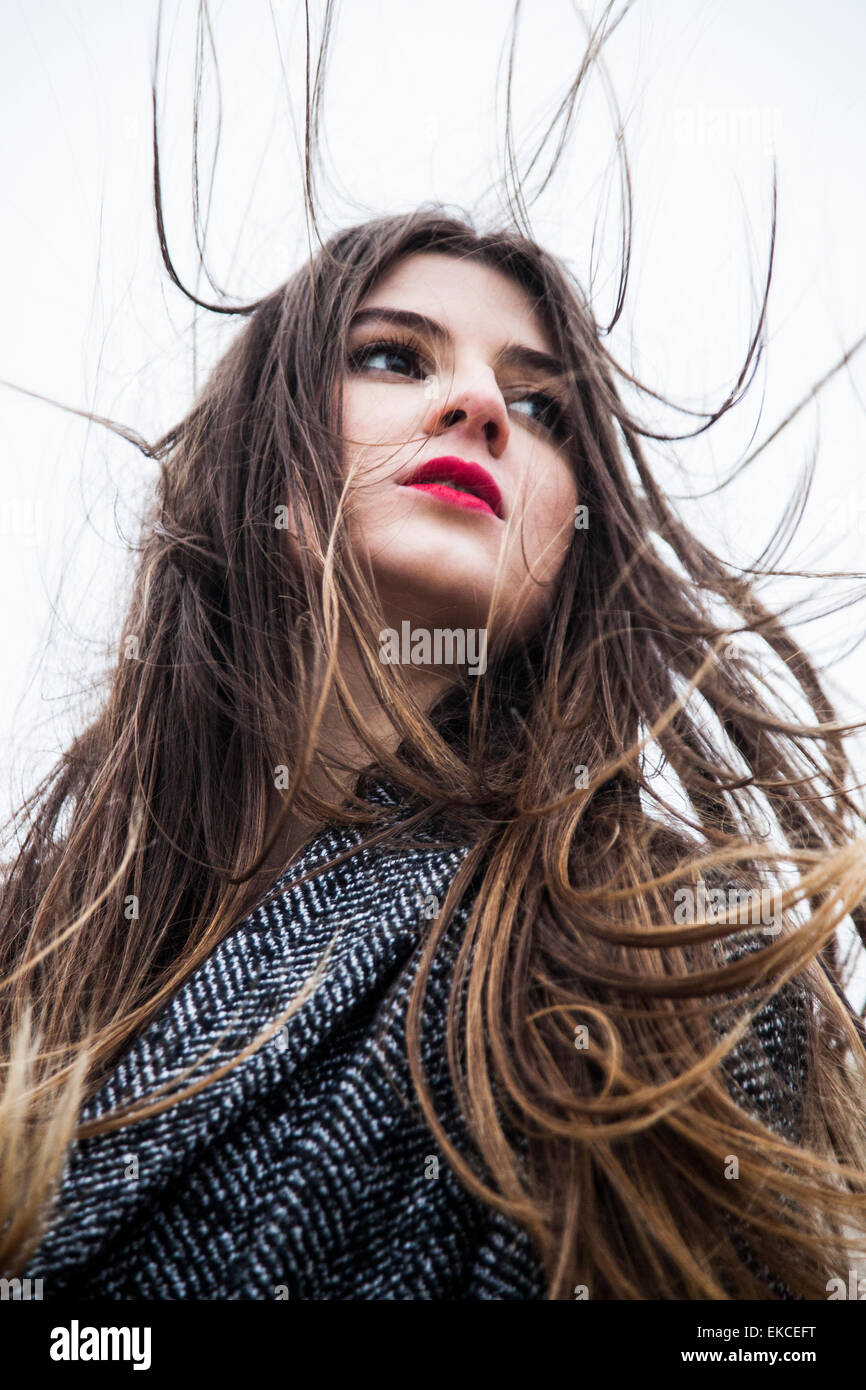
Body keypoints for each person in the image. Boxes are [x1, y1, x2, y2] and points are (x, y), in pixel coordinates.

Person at [2, 6, 866, 1302]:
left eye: (537, 405)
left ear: (566, 547)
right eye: (394, 356)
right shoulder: (35, 952)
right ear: (264, 473)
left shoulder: (663, 955)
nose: (475, 406)